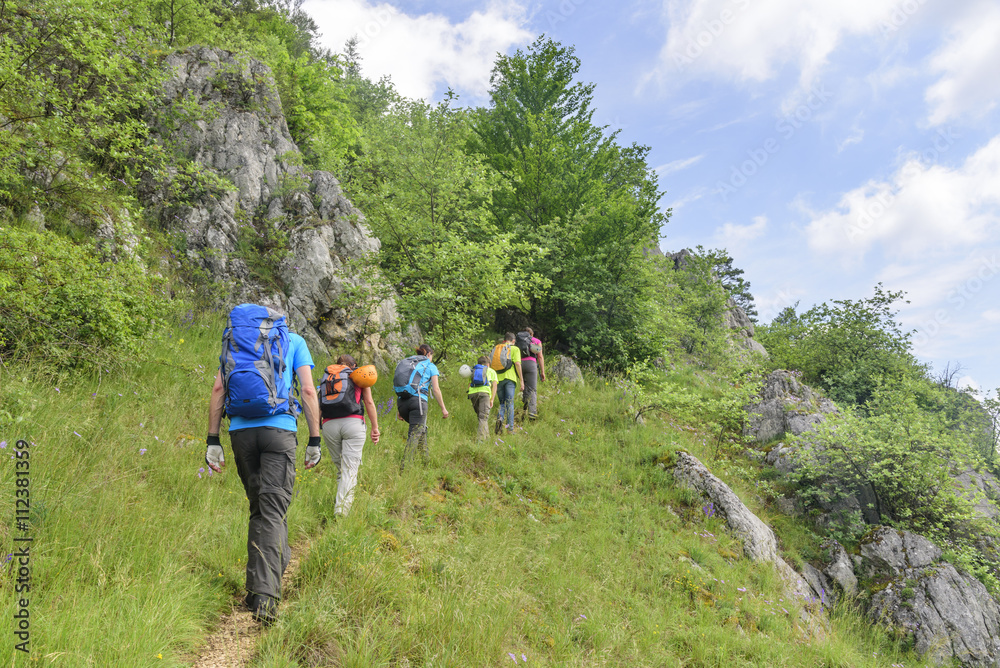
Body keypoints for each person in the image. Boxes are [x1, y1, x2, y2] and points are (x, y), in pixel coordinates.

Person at [205, 305, 320, 626]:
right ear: (279, 324)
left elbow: (218, 389)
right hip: (279, 431)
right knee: (273, 510)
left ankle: (256, 589)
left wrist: (212, 440)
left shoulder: (235, 343)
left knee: (260, 508)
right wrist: (315, 439)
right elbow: (309, 390)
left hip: (240, 432)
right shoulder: (293, 341)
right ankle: (267, 597)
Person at [321, 354, 380, 517]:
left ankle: (340, 505)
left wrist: (317, 429)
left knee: (342, 469)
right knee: (349, 469)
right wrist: (375, 428)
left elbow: (320, 403)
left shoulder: (328, 377)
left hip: (329, 425)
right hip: (353, 423)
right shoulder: (359, 375)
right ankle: (342, 511)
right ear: (354, 365)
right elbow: (368, 402)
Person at [396, 344, 449, 469]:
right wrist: (443, 408)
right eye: (432, 356)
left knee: (421, 430)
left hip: (402, 403)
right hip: (418, 403)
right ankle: (404, 467)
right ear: (429, 354)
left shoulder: (410, 364)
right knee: (414, 434)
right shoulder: (430, 366)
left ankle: (426, 462)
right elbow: (436, 389)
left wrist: (399, 410)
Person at [494, 332, 523, 434]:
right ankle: (510, 429)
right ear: (513, 341)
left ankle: (500, 419)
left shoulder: (498, 348)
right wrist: (522, 381)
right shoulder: (515, 349)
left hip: (498, 379)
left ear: (504, 340)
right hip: (510, 379)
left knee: (502, 403)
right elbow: (518, 364)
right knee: (510, 403)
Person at [467, 356, 498, 441]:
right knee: (483, 417)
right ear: (488, 364)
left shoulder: (473, 371)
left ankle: (487, 438)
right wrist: (492, 399)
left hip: (472, 394)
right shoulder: (491, 371)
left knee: (481, 417)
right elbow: (494, 386)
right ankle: (480, 440)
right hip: (484, 393)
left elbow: (469, 385)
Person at [519, 327, 546, 421]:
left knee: (525, 388)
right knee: (532, 389)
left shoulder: (518, 341)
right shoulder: (536, 341)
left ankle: (524, 410)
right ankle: (532, 414)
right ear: (532, 334)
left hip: (519, 365)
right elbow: (540, 356)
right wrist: (542, 372)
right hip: (531, 365)